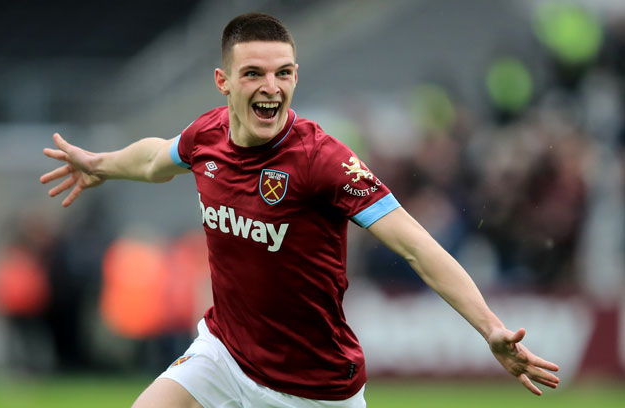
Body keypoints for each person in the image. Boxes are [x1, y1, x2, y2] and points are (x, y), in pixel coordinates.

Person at [40, 12, 560, 408]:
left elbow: (415, 244)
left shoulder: (322, 160)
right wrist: (101, 164)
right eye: (254, 74)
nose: (272, 88)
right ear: (223, 82)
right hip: (224, 355)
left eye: (283, 73)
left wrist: (490, 327)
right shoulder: (208, 134)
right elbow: (157, 158)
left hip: (316, 389)